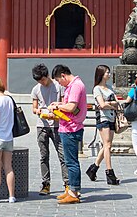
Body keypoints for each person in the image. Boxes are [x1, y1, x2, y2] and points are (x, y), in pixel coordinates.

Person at [49, 64, 87, 204]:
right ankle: (71, 189)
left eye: (59, 81)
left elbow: (71, 107)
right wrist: (58, 103)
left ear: (63, 75)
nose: (60, 84)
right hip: (68, 127)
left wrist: (56, 106)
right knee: (69, 160)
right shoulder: (72, 86)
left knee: (71, 162)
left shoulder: (76, 85)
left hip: (72, 128)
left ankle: (74, 191)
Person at [30, 63, 69, 196]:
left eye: (43, 79)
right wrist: (38, 110)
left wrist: (56, 112)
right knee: (44, 155)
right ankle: (45, 183)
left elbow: (64, 104)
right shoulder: (36, 89)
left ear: (47, 76)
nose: (41, 82)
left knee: (62, 155)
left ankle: (67, 184)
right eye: (39, 81)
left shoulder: (58, 86)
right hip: (42, 125)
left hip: (57, 125)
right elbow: (34, 108)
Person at [87, 64, 120, 185]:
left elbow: (115, 103)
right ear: (101, 74)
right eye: (107, 72)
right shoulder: (97, 89)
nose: (109, 74)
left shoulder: (110, 87)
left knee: (107, 145)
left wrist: (109, 104)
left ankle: (93, 168)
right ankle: (109, 172)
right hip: (103, 118)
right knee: (108, 145)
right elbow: (101, 104)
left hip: (112, 117)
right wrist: (111, 104)